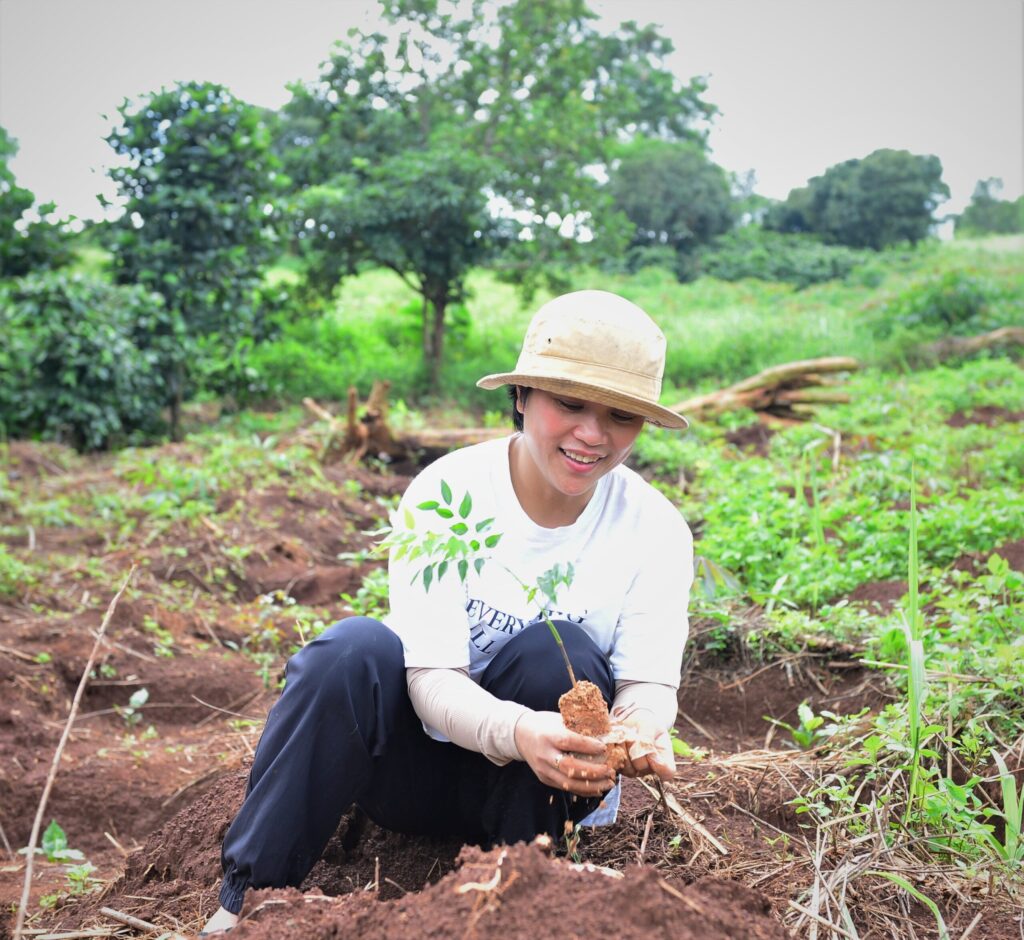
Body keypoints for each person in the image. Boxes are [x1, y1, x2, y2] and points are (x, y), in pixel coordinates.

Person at [200, 289, 693, 935]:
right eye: (570, 404)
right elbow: (430, 680)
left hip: (540, 792)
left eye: (621, 416)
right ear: (522, 396)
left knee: (559, 652)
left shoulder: (653, 528)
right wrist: (520, 731)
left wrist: (639, 732)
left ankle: (521, 897)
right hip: (416, 775)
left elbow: (647, 685)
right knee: (349, 651)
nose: (592, 434)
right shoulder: (449, 493)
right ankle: (246, 905)